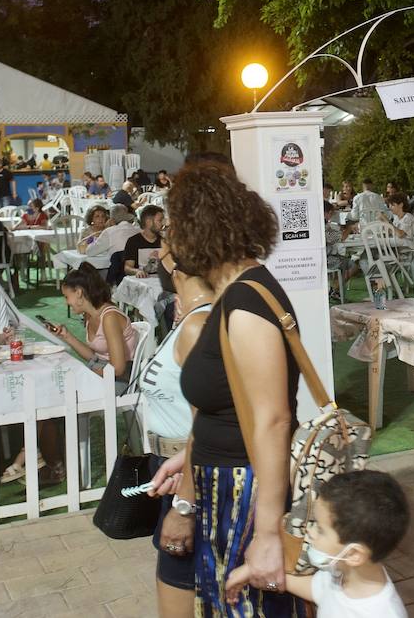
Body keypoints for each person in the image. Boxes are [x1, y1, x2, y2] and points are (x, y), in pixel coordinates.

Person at [151, 161, 305, 615]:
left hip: (245, 494)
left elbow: (273, 420)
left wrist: (268, 534)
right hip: (226, 485)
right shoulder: (236, 295)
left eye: (175, 225)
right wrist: (191, 456)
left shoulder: (245, 303)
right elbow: (232, 405)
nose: (170, 239)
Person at [2, 263, 140, 484]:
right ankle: (45, 459)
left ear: (79, 293)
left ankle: (46, 462)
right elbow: (93, 356)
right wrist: (67, 337)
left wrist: (90, 369)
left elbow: (118, 367)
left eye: (67, 296)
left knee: (55, 398)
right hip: (103, 375)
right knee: (49, 394)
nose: (66, 302)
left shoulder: (110, 316)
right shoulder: (90, 316)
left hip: (120, 380)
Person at [139, 244, 214, 616]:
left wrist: (185, 505)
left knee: (178, 571)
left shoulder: (200, 324)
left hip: (187, 471)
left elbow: (208, 418)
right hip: (170, 465)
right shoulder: (189, 318)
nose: (158, 255)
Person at [225, 471, 411, 617]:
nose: (310, 531)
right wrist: (256, 575)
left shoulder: (382, 613)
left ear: (354, 554)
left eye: (321, 529)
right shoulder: (342, 571)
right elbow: (315, 590)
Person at [123, 205, 166, 276]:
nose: (162, 224)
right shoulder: (133, 241)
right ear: (148, 222)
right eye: (160, 220)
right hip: (141, 281)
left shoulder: (164, 240)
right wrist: (137, 271)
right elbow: (127, 267)